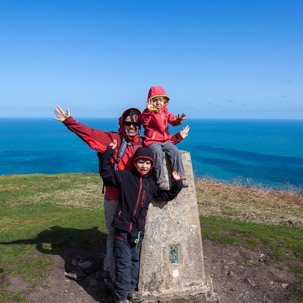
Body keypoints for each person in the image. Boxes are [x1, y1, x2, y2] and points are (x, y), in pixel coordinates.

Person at [53, 105, 189, 289]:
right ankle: (112, 274)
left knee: (133, 238)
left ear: (140, 125)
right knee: (114, 235)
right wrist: (69, 122)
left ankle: (128, 278)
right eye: (128, 123)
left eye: (136, 123)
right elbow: (90, 134)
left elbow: (162, 144)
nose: (132, 126)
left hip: (134, 199)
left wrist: (178, 137)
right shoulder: (113, 139)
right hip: (115, 196)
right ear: (121, 123)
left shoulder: (144, 142)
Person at [99, 140, 182, 303]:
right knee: (123, 263)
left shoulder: (150, 184)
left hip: (137, 231)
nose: (143, 165)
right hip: (122, 229)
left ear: (151, 165)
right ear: (135, 162)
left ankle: (131, 291)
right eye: (140, 161)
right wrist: (109, 152)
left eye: (147, 162)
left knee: (135, 261)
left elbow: (164, 197)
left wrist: (177, 185)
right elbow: (106, 174)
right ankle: (121, 298)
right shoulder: (125, 177)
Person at [139, 86, 188, 190]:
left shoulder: (165, 111)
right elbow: (143, 121)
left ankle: (180, 178)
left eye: (161, 100)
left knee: (175, 152)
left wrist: (179, 119)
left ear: (164, 101)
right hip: (152, 141)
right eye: (155, 100)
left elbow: (173, 120)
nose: (158, 103)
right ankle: (160, 180)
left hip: (165, 141)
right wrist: (148, 110)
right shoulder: (148, 112)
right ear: (150, 101)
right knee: (157, 153)